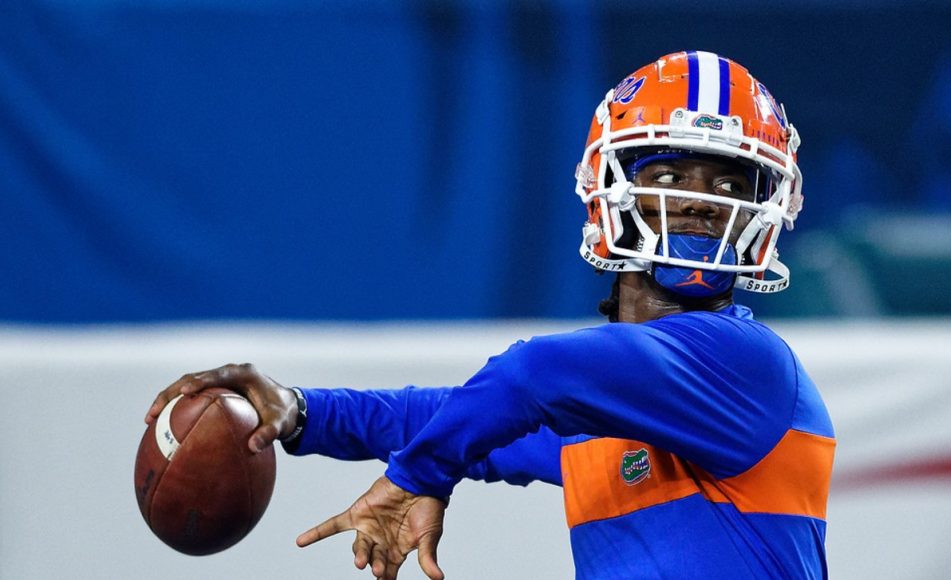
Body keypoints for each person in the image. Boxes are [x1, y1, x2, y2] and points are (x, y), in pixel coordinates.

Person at [146, 51, 835, 580]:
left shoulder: (744, 364)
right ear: (611, 186)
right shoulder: (612, 403)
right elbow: (448, 416)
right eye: (670, 174)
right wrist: (297, 412)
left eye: (727, 182)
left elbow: (530, 375)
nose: (700, 201)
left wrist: (414, 478)